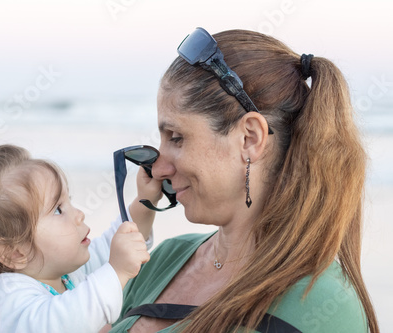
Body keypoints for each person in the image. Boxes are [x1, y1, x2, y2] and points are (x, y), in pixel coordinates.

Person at [109, 28, 379, 332]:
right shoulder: (163, 259)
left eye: (177, 137)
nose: (158, 169)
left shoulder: (320, 305)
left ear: (250, 138)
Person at [0, 139, 162, 332]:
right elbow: (61, 322)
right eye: (58, 209)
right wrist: (117, 271)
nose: (79, 214)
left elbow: (109, 251)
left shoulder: (60, 271)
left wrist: (144, 203)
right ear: (14, 252)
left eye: (69, 201)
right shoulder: (6, 298)